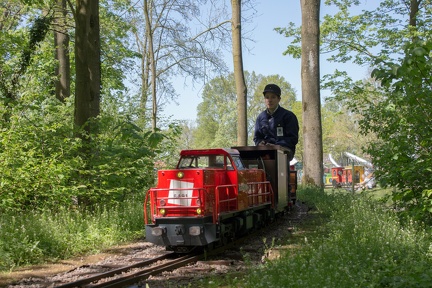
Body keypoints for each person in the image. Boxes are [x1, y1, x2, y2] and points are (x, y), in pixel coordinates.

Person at [254, 84, 299, 159]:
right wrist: (259, 143)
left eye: (273, 97)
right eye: (267, 97)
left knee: (276, 157)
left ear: (279, 99)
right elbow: (257, 137)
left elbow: (292, 138)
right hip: (265, 151)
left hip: (284, 152)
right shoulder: (260, 117)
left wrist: (277, 145)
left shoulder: (288, 116)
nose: (269, 100)